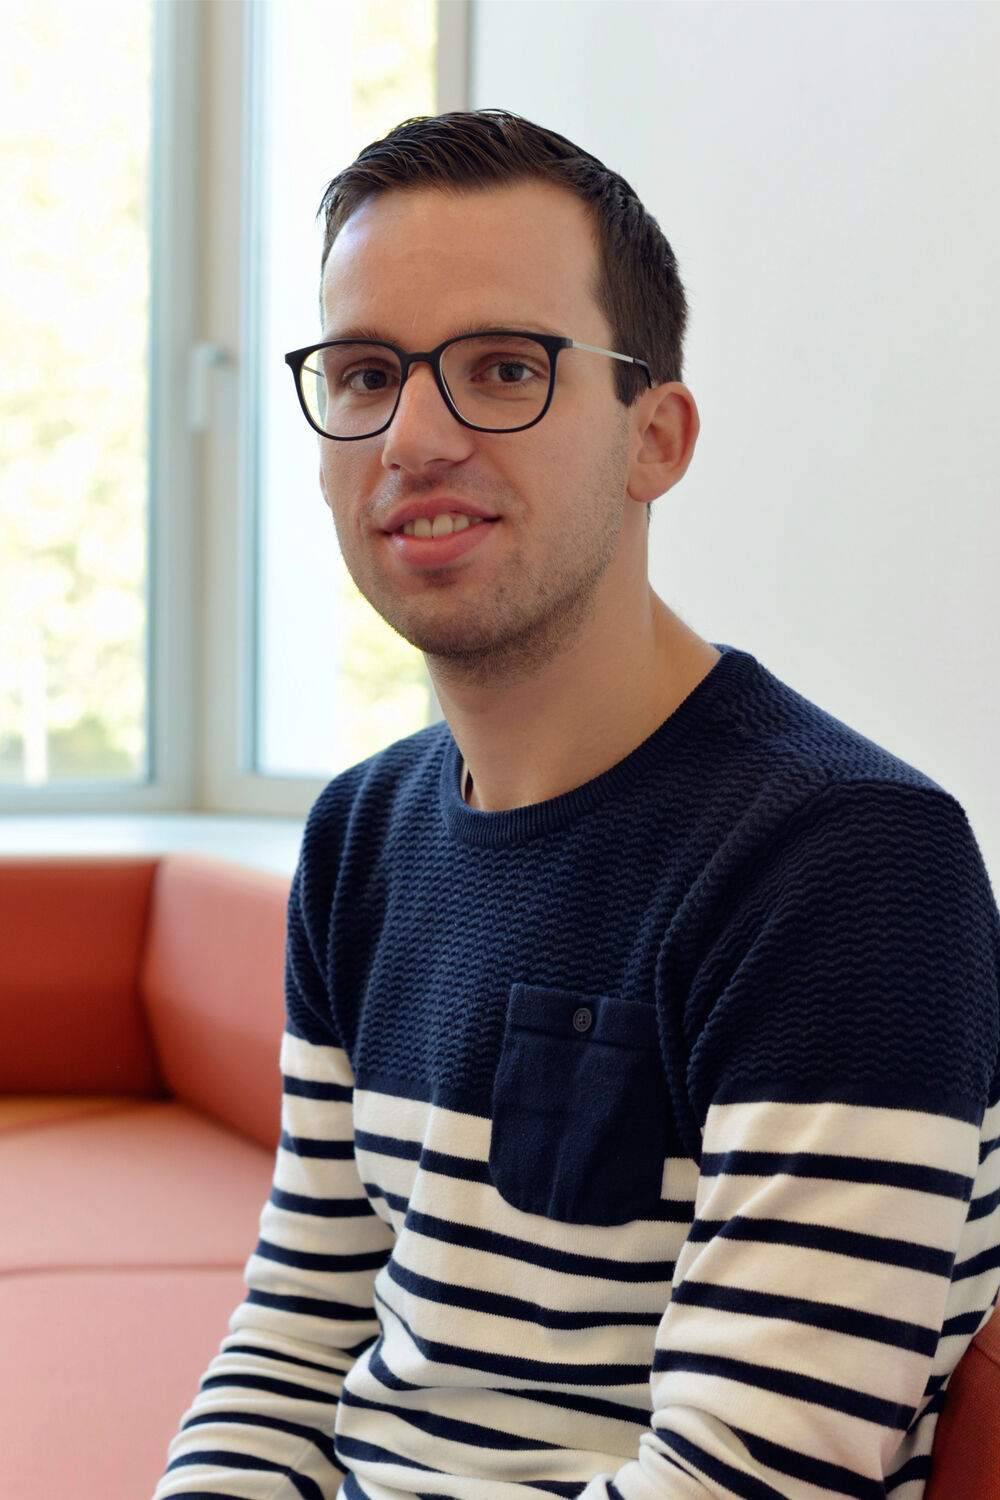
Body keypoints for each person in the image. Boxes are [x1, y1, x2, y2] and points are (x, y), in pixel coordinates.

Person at [154, 110, 1000, 1500]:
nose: (414, 435)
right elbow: (298, 1332)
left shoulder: (849, 862)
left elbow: (748, 1479)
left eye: (503, 367)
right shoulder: (359, 838)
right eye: (365, 374)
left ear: (654, 438)